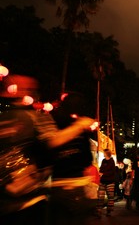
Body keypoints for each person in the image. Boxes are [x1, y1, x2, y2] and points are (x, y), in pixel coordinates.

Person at [0, 75, 95, 225]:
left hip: (30, 197)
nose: (21, 91)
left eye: (27, 88)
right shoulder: (35, 118)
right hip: (23, 198)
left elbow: (50, 149)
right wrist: (80, 125)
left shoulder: (39, 118)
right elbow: (55, 143)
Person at [48, 91, 98, 225]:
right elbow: (86, 159)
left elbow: (48, 153)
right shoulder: (81, 127)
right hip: (76, 185)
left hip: (56, 186)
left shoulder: (53, 123)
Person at [97, 148, 116, 217]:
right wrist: (100, 172)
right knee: (100, 196)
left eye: (104, 153)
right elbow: (101, 169)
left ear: (107, 153)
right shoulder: (103, 160)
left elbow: (112, 172)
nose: (103, 154)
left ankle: (109, 211)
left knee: (110, 197)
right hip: (103, 181)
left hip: (110, 181)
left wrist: (103, 174)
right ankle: (99, 211)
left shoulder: (112, 161)